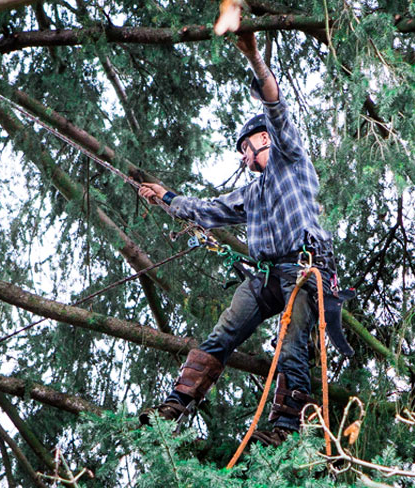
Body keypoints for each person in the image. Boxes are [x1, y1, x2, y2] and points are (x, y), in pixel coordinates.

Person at [137, 32, 345, 445]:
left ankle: (286, 427)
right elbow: (208, 210)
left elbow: (276, 108)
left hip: (304, 271)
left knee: (291, 345)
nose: (243, 157)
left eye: (244, 148)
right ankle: (179, 402)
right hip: (265, 276)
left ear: (262, 140)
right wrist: (166, 197)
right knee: (223, 333)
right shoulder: (251, 193)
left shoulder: (290, 160)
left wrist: (254, 57)